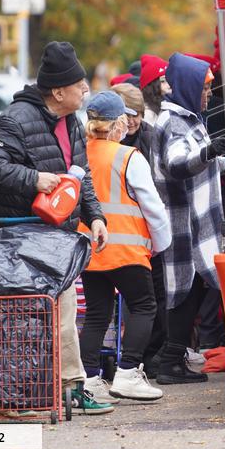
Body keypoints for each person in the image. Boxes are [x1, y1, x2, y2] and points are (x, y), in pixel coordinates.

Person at [0, 41, 113, 415]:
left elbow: (79, 177)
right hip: (16, 238)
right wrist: (34, 179)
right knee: (22, 321)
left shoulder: (72, 122)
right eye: (79, 84)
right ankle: (17, 393)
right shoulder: (15, 120)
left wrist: (96, 216)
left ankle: (70, 387)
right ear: (58, 91)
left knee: (65, 313)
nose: (86, 90)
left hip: (57, 238)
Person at [78, 91, 171, 403]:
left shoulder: (79, 156)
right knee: (144, 306)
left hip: (91, 248)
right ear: (118, 123)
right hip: (128, 249)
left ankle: (89, 380)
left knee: (96, 314)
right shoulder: (129, 157)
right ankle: (128, 373)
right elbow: (153, 207)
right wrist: (161, 242)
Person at [151, 53, 225, 384]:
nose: (208, 94)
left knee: (193, 287)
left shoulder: (188, 117)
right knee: (183, 289)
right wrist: (210, 151)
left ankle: (170, 357)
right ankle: (170, 360)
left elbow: (204, 162)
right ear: (188, 86)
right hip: (183, 222)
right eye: (205, 87)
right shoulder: (173, 122)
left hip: (198, 223)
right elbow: (177, 163)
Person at [112, 82, 166, 374]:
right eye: (128, 114)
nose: (134, 120)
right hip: (120, 233)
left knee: (153, 296)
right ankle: (126, 362)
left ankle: (152, 355)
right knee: (133, 301)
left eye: (139, 114)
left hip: (148, 231)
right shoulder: (107, 142)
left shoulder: (152, 137)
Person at [140, 54, 170, 125]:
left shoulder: (165, 105)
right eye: (163, 81)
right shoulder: (147, 114)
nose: (169, 85)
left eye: (169, 79)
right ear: (152, 86)